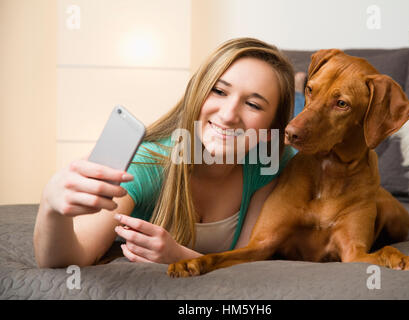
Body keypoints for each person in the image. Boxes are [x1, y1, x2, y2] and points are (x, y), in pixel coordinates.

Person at [33, 38, 297, 268]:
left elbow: (248, 266)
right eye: (219, 91)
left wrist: (180, 256)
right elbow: (69, 260)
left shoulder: (273, 163)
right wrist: (50, 207)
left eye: (252, 104)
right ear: (197, 92)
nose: (228, 115)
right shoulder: (146, 163)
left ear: (271, 128)